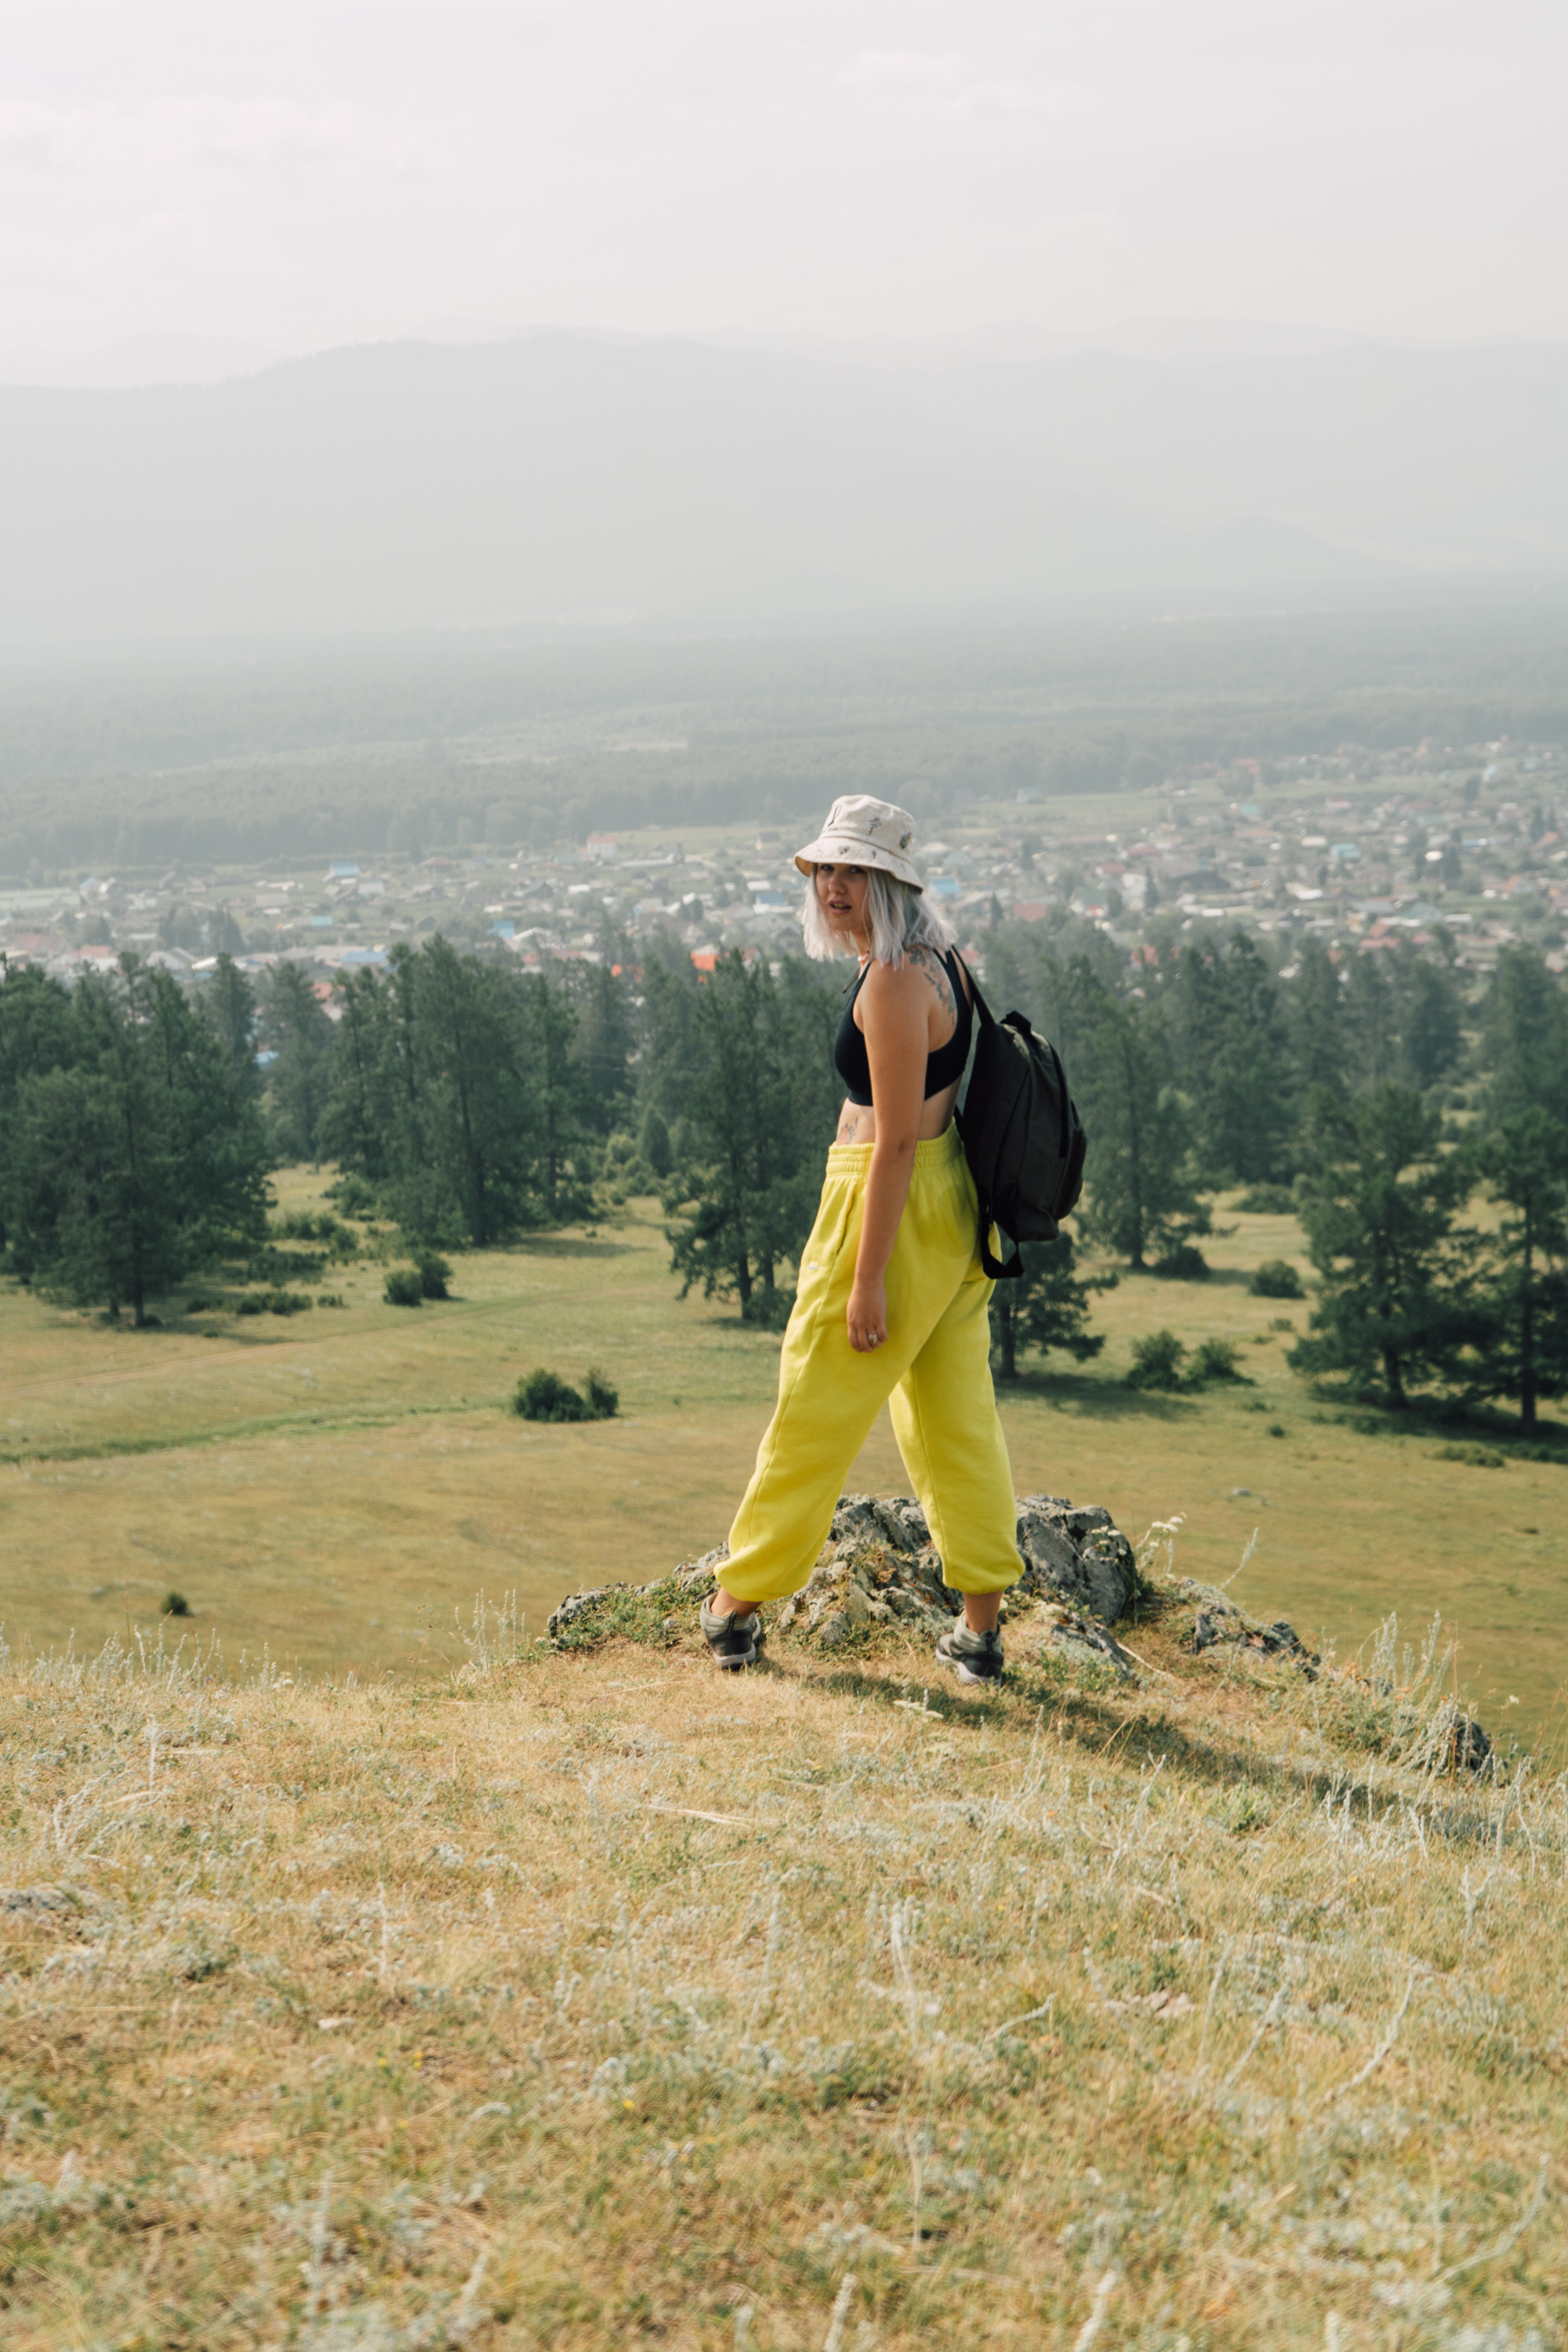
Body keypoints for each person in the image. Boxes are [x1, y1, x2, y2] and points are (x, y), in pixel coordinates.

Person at [701, 794, 1023, 1682]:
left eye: (855, 872)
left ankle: (734, 1610)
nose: (835, 886)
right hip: (953, 1210)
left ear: (890, 882)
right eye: (826, 870)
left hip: (887, 1213)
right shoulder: (938, 960)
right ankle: (980, 1631)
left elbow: (887, 1142)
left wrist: (868, 1277)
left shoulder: (890, 983)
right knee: (956, 1422)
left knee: (812, 1408)